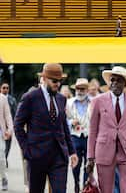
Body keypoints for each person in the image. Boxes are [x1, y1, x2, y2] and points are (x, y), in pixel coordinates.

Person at [14, 63, 78, 192]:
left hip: (59, 157)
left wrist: (72, 151)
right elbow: (18, 125)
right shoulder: (30, 98)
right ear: (44, 78)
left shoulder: (61, 99)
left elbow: (63, 125)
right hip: (37, 156)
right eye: (54, 81)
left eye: (60, 81)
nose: (57, 84)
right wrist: (27, 150)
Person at [86, 66, 126, 193]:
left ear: (124, 84)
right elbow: (92, 131)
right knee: (106, 189)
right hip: (104, 151)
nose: (114, 83)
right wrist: (90, 157)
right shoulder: (98, 101)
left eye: (118, 80)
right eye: (112, 80)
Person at [66, 78, 92, 193]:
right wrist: (71, 122)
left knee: (89, 163)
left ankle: (85, 186)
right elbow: (64, 119)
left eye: (82, 89)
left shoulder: (93, 102)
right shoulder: (69, 102)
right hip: (75, 137)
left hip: (89, 137)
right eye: (77, 89)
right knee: (75, 163)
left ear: (87, 90)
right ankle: (76, 183)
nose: (79, 91)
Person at [0, 81, 17, 168]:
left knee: (8, 144)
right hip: (1, 126)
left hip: (8, 126)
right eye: (4, 88)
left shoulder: (12, 100)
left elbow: (15, 113)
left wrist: (13, 126)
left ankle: (5, 157)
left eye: (7, 88)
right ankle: (2, 159)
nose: (5, 89)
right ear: (0, 89)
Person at [0, 94, 12, 191]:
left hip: (0, 133)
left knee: (1, 159)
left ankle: (3, 177)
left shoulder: (3, 98)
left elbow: (8, 115)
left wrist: (10, 129)